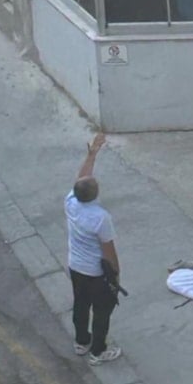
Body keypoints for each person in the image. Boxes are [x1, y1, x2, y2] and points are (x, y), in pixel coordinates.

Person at [65, 132, 122, 365]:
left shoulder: (71, 202)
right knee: (101, 311)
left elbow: (82, 178)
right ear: (95, 194)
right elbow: (108, 250)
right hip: (97, 273)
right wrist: (116, 275)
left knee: (80, 304)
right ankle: (98, 351)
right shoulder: (100, 218)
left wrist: (92, 154)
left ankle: (81, 341)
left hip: (76, 266)